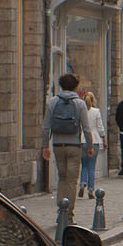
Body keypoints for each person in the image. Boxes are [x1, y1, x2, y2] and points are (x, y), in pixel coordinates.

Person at [42, 73, 93, 210]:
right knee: (71, 180)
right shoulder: (80, 103)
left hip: (58, 145)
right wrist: (90, 145)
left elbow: (46, 126)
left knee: (62, 178)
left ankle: (61, 209)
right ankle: (68, 213)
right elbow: (87, 128)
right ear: (76, 86)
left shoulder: (52, 102)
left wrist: (45, 146)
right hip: (74, 145)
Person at [79, 90, 105, 199]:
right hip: (94, 140)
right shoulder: (96, 111)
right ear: (93, 101)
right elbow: (100, 127)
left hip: (82, 139)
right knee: (91, 166)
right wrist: (104, 139)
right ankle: (90, 189)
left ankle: (82, 183)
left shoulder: (81, 111)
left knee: (84, 165)